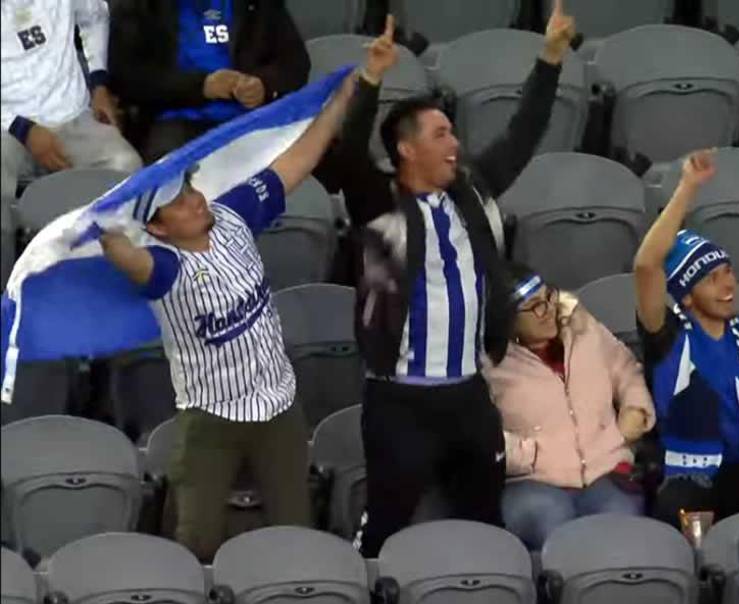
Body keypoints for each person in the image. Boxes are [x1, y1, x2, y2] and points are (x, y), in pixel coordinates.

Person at [93, 19, 386, 560]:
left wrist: (351, 91)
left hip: (279, 406)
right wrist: (102, 225)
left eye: (191, 190)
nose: (195, 201)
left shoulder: (232, 215)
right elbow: (124, 256)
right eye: (179, 203)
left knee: (296, 531)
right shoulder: (163, 267)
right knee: (196, 542)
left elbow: (298, 159)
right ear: (157, 226)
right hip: (211, 419)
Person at [334, 5, 578, 557]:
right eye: (441, 134)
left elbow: (524, 132)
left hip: (470, 395)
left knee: (484, 524)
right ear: (406, 148)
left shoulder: (474, 193)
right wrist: (371, 78)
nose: (455, 145)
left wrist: (551, 59)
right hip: (400, 400)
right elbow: (347, 152)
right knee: (385, 528)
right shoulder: (378, 204)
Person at [633, 149, 739, 527]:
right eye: (712, 278)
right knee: (681, 509)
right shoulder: (668, 337)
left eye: (728, 271)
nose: (729, 283)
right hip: (692, 479)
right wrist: (687, 188)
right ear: (686, 295)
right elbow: (647, 265)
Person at [483, 264, 655, 550]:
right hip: (532, 480)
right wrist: (530, 454)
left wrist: (635, 409)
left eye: (549, 297)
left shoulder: (583, 329)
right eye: (535, 307)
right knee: (554, 524)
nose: (548, 310)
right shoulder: (489, 365)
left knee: (621, 530)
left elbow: (625, 368)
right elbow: (478, 431)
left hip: (606, 469)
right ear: (506, 319)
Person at [108, 0, 309, 163]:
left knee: (293, 169)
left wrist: (263, 84)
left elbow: (295, 62)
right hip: (174, 122)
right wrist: (203, 86)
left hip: (249, 120)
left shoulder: (260, 5)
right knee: (173, 183)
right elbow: (128, 78)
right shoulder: (141, 6)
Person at [1, 0, 141, 204]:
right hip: (7, 127)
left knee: (127, 167)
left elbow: (95, 16)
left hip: (72, 112)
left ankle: (100, 234)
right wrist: (23, 129)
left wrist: (99, 82)